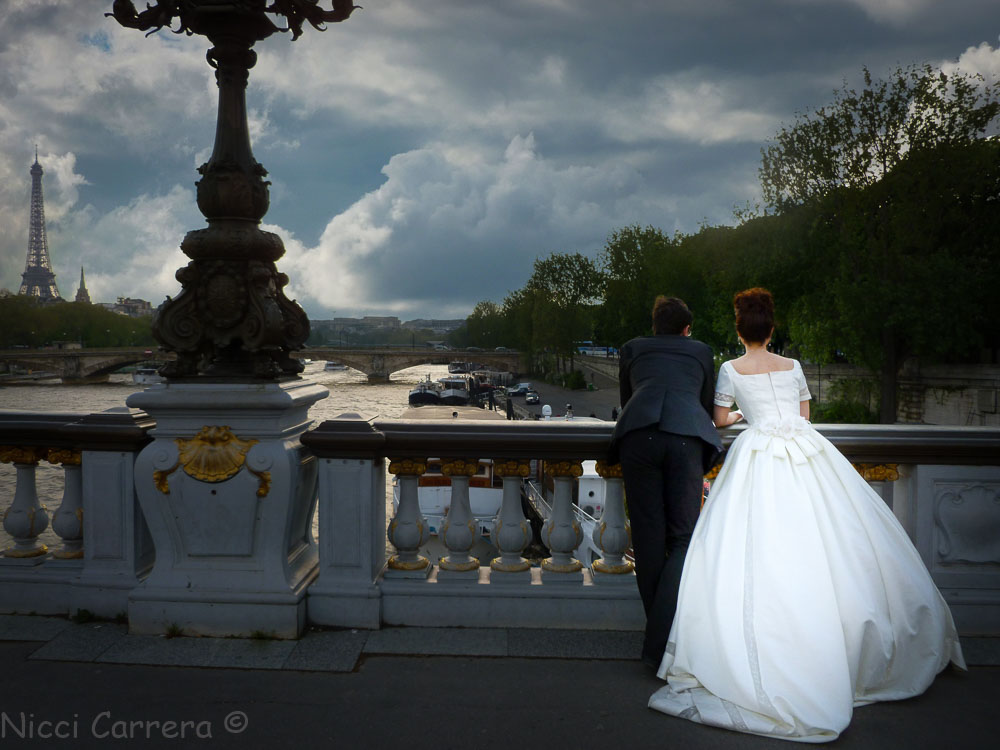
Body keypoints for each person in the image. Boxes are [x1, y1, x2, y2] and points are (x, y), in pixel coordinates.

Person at [648, 288, 965, 743]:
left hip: (758, 448)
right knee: (831, 536)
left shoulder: (731, 368)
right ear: (772, 329)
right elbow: (803, 415)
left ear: (741, 330)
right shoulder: (793, 367)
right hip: (806, 448)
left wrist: (741, 411)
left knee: (756, 542)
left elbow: (718, 420)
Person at [608, 296, 723, 667]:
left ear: (653, 325)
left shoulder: (632, 349)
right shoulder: (702, 352)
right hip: (686, 438)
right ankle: (661, 645)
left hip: (639, 437)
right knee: (683, 539)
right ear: (687, 330)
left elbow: (627, 400)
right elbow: (705, 406)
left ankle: (659, 642)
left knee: (648, 538)